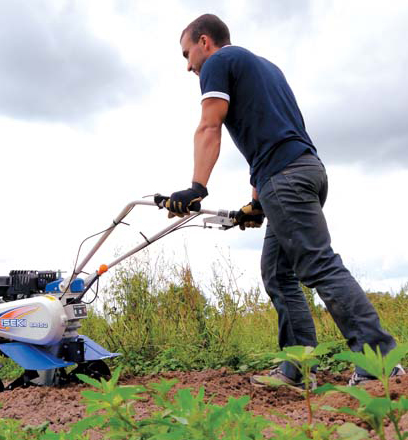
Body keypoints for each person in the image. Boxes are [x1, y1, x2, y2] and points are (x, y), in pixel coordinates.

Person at [166, 13, 404, 387]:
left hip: (286, 178)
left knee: (319, 265)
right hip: (304, 170)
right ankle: (296, 370)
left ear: (205, 42)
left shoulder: (218, 64)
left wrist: (197, 187)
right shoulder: (266, 68)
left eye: (186, 54)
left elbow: (210, 125)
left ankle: (379, 360)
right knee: (277, 272)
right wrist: (257, 202)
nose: (188, 66)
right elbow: (271, 133)